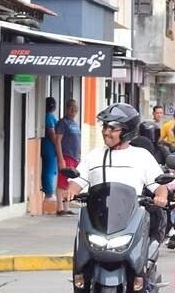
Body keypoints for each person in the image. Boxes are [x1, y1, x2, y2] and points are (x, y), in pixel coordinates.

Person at [66, 103, 169, 240]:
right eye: (104, 127)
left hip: (131, 223)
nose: (106, 132)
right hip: (98, 222)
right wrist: (71, 191)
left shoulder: (141, 156)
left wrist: (161, 197)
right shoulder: (94, 155)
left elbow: (160, 186)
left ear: (127, 132)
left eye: (112, 128)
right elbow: (77, 181)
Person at [54, 99, 81, 216]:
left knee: (70, 182)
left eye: (75, 109)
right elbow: (58, 141)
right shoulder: (63, 123)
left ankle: (66, 206)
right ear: (66, 109)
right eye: (71, 108)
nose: (73, 111)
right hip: (66, 155)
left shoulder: (74, 123)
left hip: (74, 156)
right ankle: (60, 208)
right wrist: (61, 159)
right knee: (62, 182)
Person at [42, 97, 65, 214]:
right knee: (50, 170)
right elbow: (52, 133)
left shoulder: (48, 116)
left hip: (50, 146)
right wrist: (58, 144)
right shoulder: (49, 117)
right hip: (50, 146)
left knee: (51, 170)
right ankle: (49, 193)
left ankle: (49, 192)